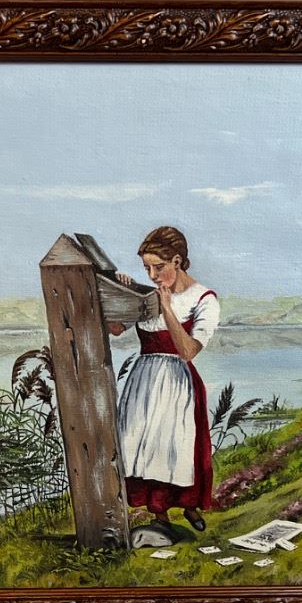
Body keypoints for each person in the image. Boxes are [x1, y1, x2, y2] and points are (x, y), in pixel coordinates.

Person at [111, 225, 219, 531]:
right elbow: (116, 329)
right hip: (144, 381)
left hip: (177, 380)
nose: (153, 276)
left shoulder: (204, 298)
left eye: (158, 267)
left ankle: (189, 507)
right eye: (147, 268)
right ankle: (159, 518)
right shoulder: (147, 295)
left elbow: (188, 351)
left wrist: (168, 310)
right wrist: (122, 293)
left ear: (177, 261)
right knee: (144, 444)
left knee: (175, 447)